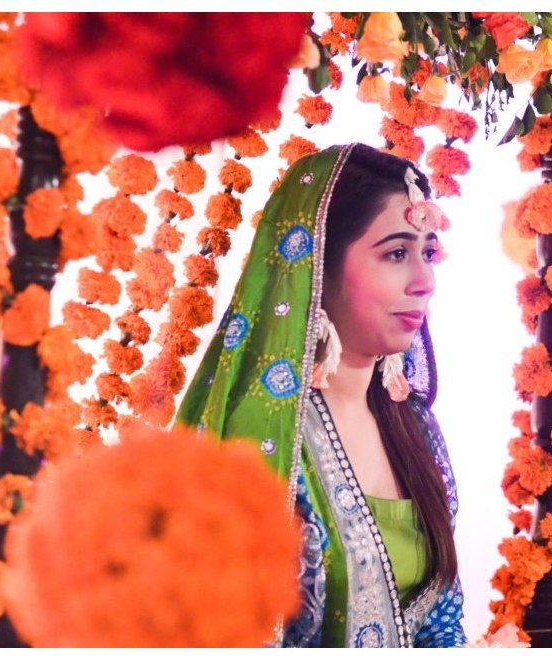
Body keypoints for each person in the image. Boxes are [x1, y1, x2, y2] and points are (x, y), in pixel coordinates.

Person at [176, 143, 466, 648]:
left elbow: (442, 620)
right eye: (397, 253)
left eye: (429, 253)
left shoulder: (415, 428)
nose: (425, 281)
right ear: (315, 267)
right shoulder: (259, 436)